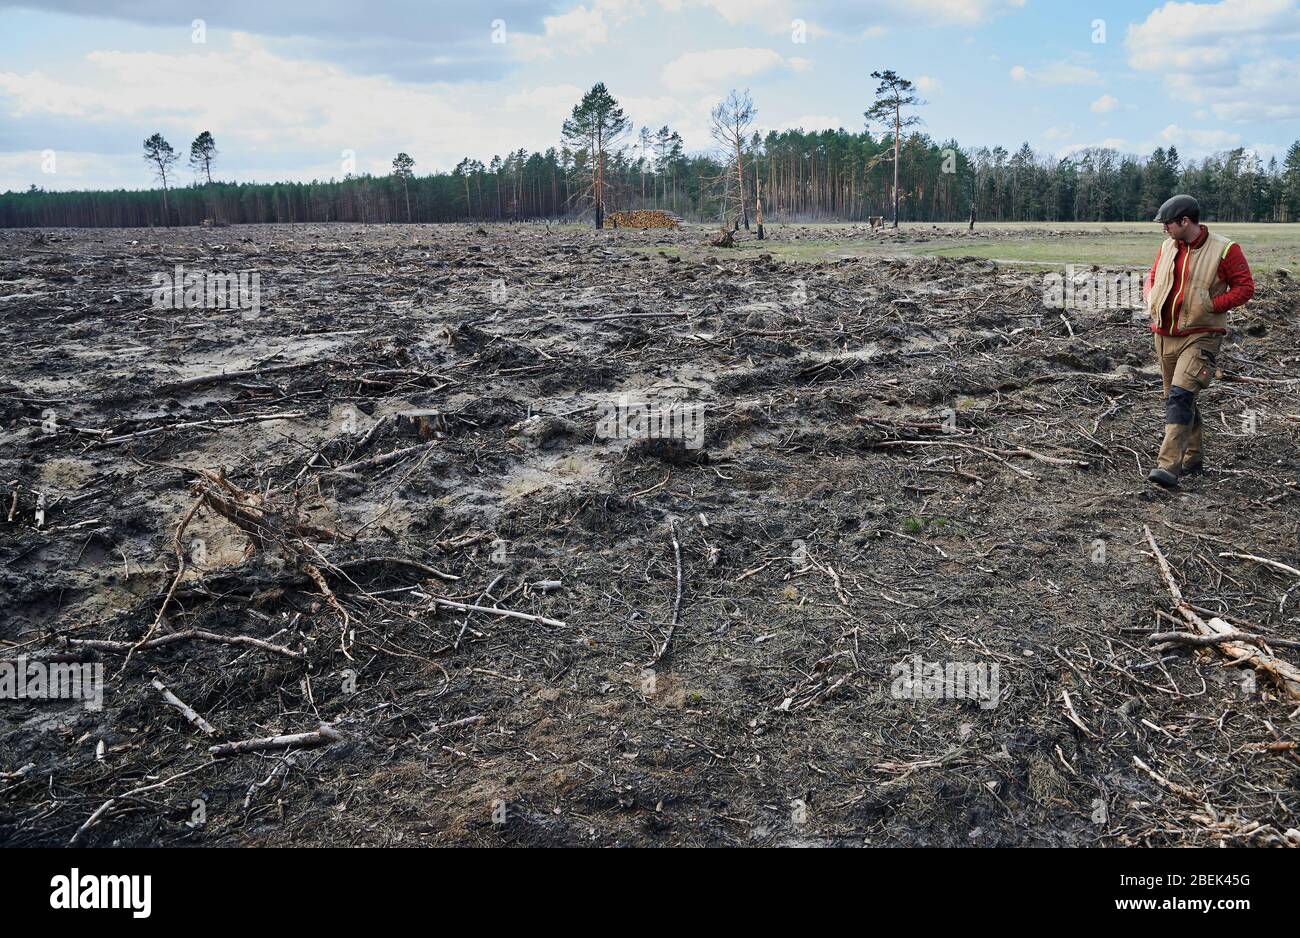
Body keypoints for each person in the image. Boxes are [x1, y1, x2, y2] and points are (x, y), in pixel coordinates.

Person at [1144, 194, 1254, 488]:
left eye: (1168, 223)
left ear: (1185, 221)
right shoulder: (1168, 245)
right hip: (1165, 334)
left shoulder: (1225, 249)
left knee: (1180, 396)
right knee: (1177, 398)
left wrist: (1212, 306)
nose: (1164, 228)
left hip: (1202, 335)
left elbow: (1245, 287)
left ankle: (1168, 466)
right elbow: (1153, 275)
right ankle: (1193, 458)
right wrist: (1150, 296)